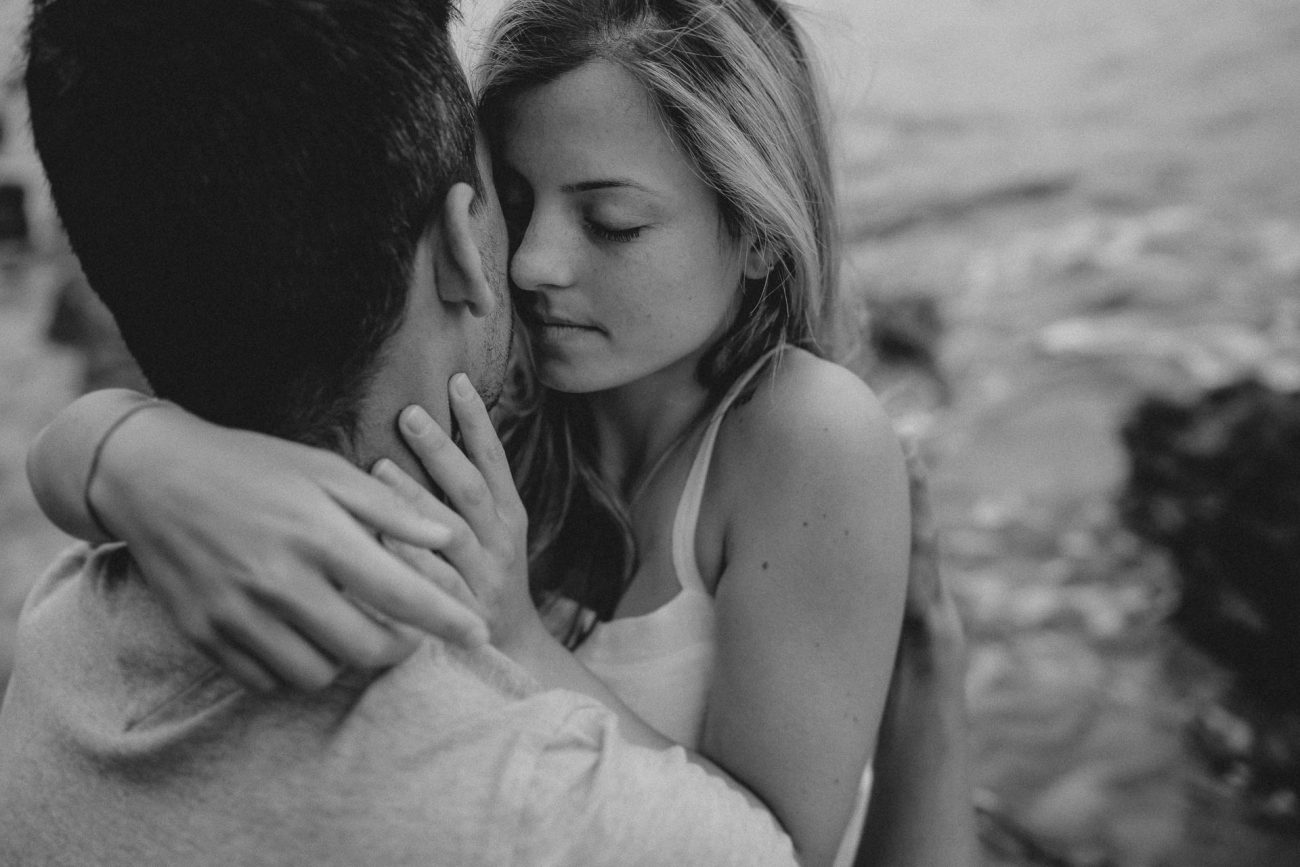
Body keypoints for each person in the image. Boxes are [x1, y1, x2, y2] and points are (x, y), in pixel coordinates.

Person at [21, 0, 977, 864]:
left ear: (760, 227)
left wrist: (517, 637)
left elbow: (785, 850)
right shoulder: (497, 382)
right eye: (512, 206)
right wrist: (127, 453)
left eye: (611, 224)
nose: (533, 265)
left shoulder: (806, 432)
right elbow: (149, 439)